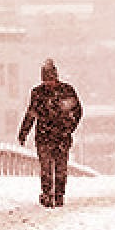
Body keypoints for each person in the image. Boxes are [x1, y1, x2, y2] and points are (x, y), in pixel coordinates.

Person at [17, 58, 82, 208]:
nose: (48, 83)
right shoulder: (37, 93)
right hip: (44, 137)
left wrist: (69, 128)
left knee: (60, 167)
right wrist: (23, 132)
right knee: (46, 167)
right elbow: (31, 114)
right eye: (46, 80)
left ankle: (59, 195)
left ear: (55, 77)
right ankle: (47, 194)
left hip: (61, 137)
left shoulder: (67, 91)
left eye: (50, 79)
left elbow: (77, 111)